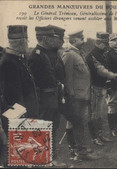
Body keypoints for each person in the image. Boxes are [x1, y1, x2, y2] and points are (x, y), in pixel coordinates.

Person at [29, 25, 66, 166]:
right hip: (44, 99)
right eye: (51, 37)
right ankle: (44, 159)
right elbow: (34, 82)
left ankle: (50, 157)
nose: (53, 40)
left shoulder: (46, 53)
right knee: (44, 128)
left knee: (53, 127)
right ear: (44, 38)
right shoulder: (36, 55)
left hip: (52, 96)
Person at [62, 30, 98, 161]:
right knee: (75, 123)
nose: (83, 41)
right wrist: (70, 96)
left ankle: (78, 149)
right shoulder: (69, 55)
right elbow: (67, 78)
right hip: (75, 97)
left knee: (79, 123)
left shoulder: (78, 53)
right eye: (80, 39)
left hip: (83, 96)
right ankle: (77, 151)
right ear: (73, 41)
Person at [0, 25, 39, 135]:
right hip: (20, 120)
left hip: (26, 117)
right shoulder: (9, 63)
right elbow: (13, 96)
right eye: (27, 40)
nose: (27, 43)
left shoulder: (18, 59)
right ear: (22, 42)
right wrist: (23, 121)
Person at [86, 32, 117, 144]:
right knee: (94, 114)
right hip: (94, 87)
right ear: (97, 43)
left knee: (101, 113)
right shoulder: (91, 56)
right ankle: (95, 137)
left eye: (106, 43)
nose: (106, 46)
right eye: (104, 43)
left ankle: (100, 135)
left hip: (102, 87)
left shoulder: (103, 54)